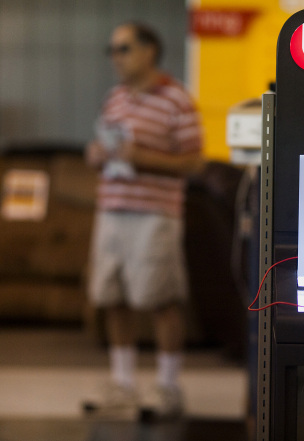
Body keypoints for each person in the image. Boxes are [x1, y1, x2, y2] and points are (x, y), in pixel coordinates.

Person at [84, 21, 203, 419]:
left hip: (155, 215)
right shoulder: (114, 97)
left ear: (149, 50)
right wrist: (98, 155)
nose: (116, 57)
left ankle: (168, 388)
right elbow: (107, 148)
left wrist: (144, 158)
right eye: (113, 50)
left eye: (123, 48)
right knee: (112, 296)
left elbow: (194, 161)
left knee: (161, 298)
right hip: (111, 210)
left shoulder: (177, 100)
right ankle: (123, 384)